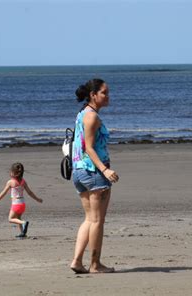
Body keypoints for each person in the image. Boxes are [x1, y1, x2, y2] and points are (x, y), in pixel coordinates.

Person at [70, 78, 119, 274]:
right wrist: (105, 170)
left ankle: (77, 261)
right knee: (97, 220)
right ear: (93, 95)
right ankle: (95, 264)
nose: (108, 96)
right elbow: (88, 148)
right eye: (104, 93)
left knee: (90, 219)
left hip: (79, 171)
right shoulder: (91, 117)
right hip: (94, 173)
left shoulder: (82, 114)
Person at [0, 162, 43, 238]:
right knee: (18, 218)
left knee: (11, 219)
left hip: (16, 204)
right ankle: (23, 233)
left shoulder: (11, 182)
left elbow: (4, 192)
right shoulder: (23, 181)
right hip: (22, 204)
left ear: (13, 173)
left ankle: (24, 223)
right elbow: (29, 192)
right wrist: (37, 199)